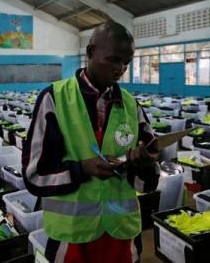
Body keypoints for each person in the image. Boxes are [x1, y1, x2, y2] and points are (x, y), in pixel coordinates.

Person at [23, 21, 162, 263]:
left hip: (121, 234)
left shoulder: (131, 106)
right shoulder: (54, 100)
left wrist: (145, 165)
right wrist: (82, 169)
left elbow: (147, 184)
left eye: (126, 62)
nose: (121, 69)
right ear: (90, 53)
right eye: (114, 60)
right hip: (73, 237)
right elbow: (35, 176)